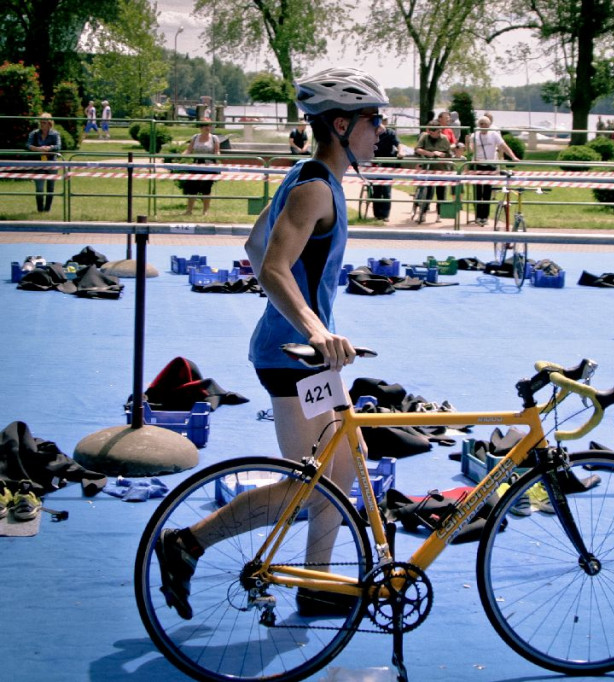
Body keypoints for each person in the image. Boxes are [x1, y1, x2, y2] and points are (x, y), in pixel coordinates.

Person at [154, 67, 388, 621]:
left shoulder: (309, 178)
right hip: (293, 357)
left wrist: (311, 328)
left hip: (305, 354)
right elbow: (275, 265)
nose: (380, 131)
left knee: (343, 470)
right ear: (341, 123)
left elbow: (253, 243)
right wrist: (314, 327)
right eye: (374, 120)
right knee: (310, 486)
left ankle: (315, 582)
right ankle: (186, 543)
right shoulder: (313, 189)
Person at [468, 115, 519, 226]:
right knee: (477, 192)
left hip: (490, 165)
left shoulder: (494, 135)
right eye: (481, 124)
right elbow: (471, 148)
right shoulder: (474, 135)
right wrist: (470, 147)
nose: (483, 127)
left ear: (489, 125)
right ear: (478, 125)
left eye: (485, 124)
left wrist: (513, 156)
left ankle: (484, 217)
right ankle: (478, 216)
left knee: (487, 192)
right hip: (478, 165)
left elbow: (503, 146)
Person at [413, 119, 453, 222]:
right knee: (427, 193)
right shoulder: (424, 137)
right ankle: (423, 214)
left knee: (441, 193)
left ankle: (439, 215)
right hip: (428, 169)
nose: (431, 132)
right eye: (430, 130)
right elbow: (417, 149)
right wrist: (429, 153)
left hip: (441, 170)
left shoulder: (444, 139)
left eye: (434, 130)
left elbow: (449, 154)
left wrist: (442, 154)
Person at [182, 121, 221, 216]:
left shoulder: (214, 138)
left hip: (208, 166)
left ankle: (205, 211)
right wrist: (182, 156)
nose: (207, 128)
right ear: (200, 127)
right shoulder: (195, 137)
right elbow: (189, 150)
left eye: (209, 126)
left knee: (206, 189)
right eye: (205, 126)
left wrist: (218, 159)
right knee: (192, 189)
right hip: (196, 165)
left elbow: (217, 152)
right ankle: (189, 211)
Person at [26, 113, 61, 213]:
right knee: (39, 188)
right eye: (41, 122)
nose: (42, 125)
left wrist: (49, 148)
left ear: (50, 123)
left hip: (51, 163)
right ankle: (40, 210)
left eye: (44, 123)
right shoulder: (35, 133)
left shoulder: (55, 134)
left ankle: (47, 210)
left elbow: (58, 146)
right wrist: (37, 149)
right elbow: (28, 144)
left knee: (50, 188)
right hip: (38, 164)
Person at [368, 114, 400, 221]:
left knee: (386, 189)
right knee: (376, 189)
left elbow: (398, 144)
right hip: (375, 162)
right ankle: (377, 215)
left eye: (384, 120)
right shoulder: (371, 132)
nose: (382, 122)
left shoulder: (390, 133)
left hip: (387, 162)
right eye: (381, 120)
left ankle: (385, 215)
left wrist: (401, 152)